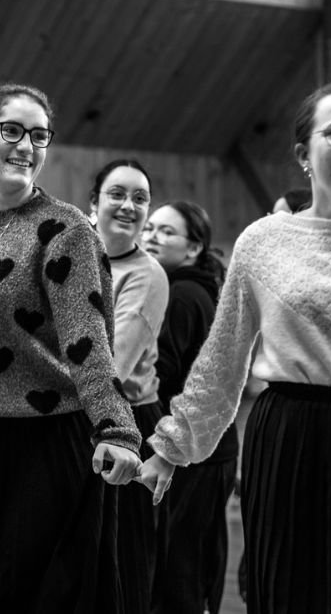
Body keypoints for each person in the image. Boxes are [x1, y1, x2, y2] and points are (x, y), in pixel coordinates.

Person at [137, 80, 331, 614]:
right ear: (304, 153)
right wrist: (171, 447)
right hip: (290, 435)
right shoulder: (262, 241)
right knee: (292, 590)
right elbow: (224, 357)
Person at [0, 82, 142, 613]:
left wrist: (118, 429)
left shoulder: (65, 230)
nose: (25, 146)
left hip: (37, 446)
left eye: (39, 136)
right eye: (11, 130)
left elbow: (88, 339)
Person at [140, 200, 237, 614]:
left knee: (179, 569)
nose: (151, 236)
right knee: (194, 562)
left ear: (193, 248)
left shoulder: (182, 294)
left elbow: (164, 375)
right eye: (149, 228)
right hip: (207, 447)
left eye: (166, 231)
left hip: (191, 450)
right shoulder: (193, 287)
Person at [88, 159, 169, 614]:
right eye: (117, 193)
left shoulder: (146, 274)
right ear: (93, 204)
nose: (129, 205)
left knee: (123, 559)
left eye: (140, 198)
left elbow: (114, 361)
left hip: (127, 417)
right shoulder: (72, 256)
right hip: (77, 409)